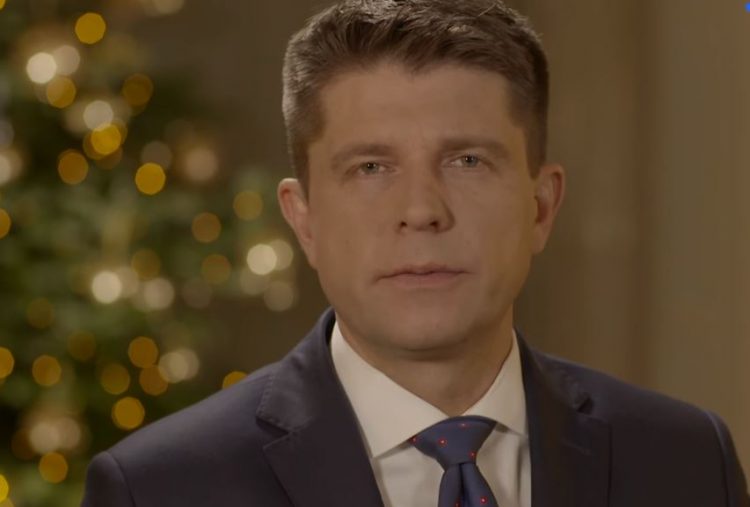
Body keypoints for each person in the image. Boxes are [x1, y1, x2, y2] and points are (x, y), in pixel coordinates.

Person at [82, 0, 750, 506]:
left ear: (541, 206)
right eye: (371, 167)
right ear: (304, 219)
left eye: (467, 160)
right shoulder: (160, 488)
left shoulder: (687, 462)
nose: (422, 210)